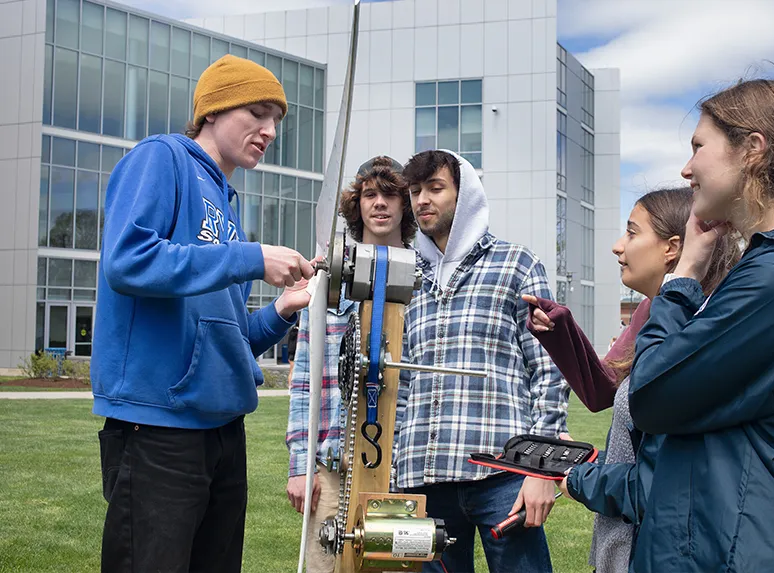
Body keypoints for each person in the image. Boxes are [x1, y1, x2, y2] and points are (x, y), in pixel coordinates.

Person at [91, 54, 317, 573]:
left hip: (224, 431)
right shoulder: (162, 157)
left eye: (276, 120)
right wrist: (250, 258)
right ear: (213, 109)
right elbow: (127, 260)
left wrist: (282, 309)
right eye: (257, 112)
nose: (270, 131)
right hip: (158, 428)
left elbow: (229, 340)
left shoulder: (227, 208)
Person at [627, 79, 774, 571]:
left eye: (698, 147)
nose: (686, 168)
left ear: (752, 149)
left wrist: (683, 279)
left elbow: (651, 394)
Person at [525, 187, 738, 573]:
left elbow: (664, 478)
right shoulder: (651, 310)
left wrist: (582, 478)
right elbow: (604, 391)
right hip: (620, 543)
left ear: (672, 248)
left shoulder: (707, 325)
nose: (617, 246)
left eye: (632, 232)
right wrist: (561, 330)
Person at [396, 150, 570, 573]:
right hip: (422, 476)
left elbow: (549, 370)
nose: (422, 200)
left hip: (504, 474)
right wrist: (392, 468)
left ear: (465, 195)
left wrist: (542, 471)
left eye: (435, 188)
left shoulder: (517, 264)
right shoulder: (404, 276)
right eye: (415, 191)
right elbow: (399, 382)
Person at [285, 156, 416, 573]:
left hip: (398, 466)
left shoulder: (424, 280)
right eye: (370, 194)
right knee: (325, 565)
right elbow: (304, 380)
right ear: (356, 204)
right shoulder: (328, 281)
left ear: (405, 204)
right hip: (332, 464)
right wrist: (300, 466)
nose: (380, 204)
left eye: (390, 194)